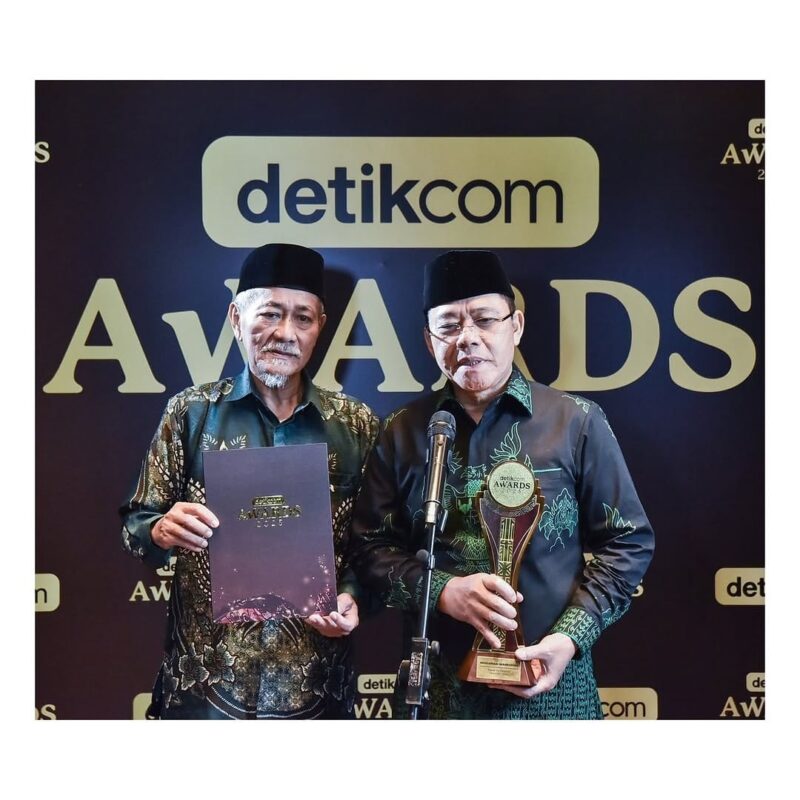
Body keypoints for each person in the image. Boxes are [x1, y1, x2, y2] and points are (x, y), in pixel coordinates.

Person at [349, 249, 654, 719]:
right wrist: (443, 592)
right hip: (440, 695)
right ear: (429, 341)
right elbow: (370, 548)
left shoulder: (576, 422)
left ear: (516, 326)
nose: (467, 338)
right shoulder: (403, 431)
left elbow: (627, 542)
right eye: (449, 325)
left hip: (554, 690)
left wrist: (570, 636)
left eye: (485, 319)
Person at [120, 243, 378, 719]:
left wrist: (351, 596)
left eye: (303, 318)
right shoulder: (191, 413)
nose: (285, 333)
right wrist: (160, 529)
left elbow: (373, 546)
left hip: (316, 692)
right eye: (270, 314)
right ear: (237, 319)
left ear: (320, 327)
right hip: (205, 693)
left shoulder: (356, 425)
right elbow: (136, 525)